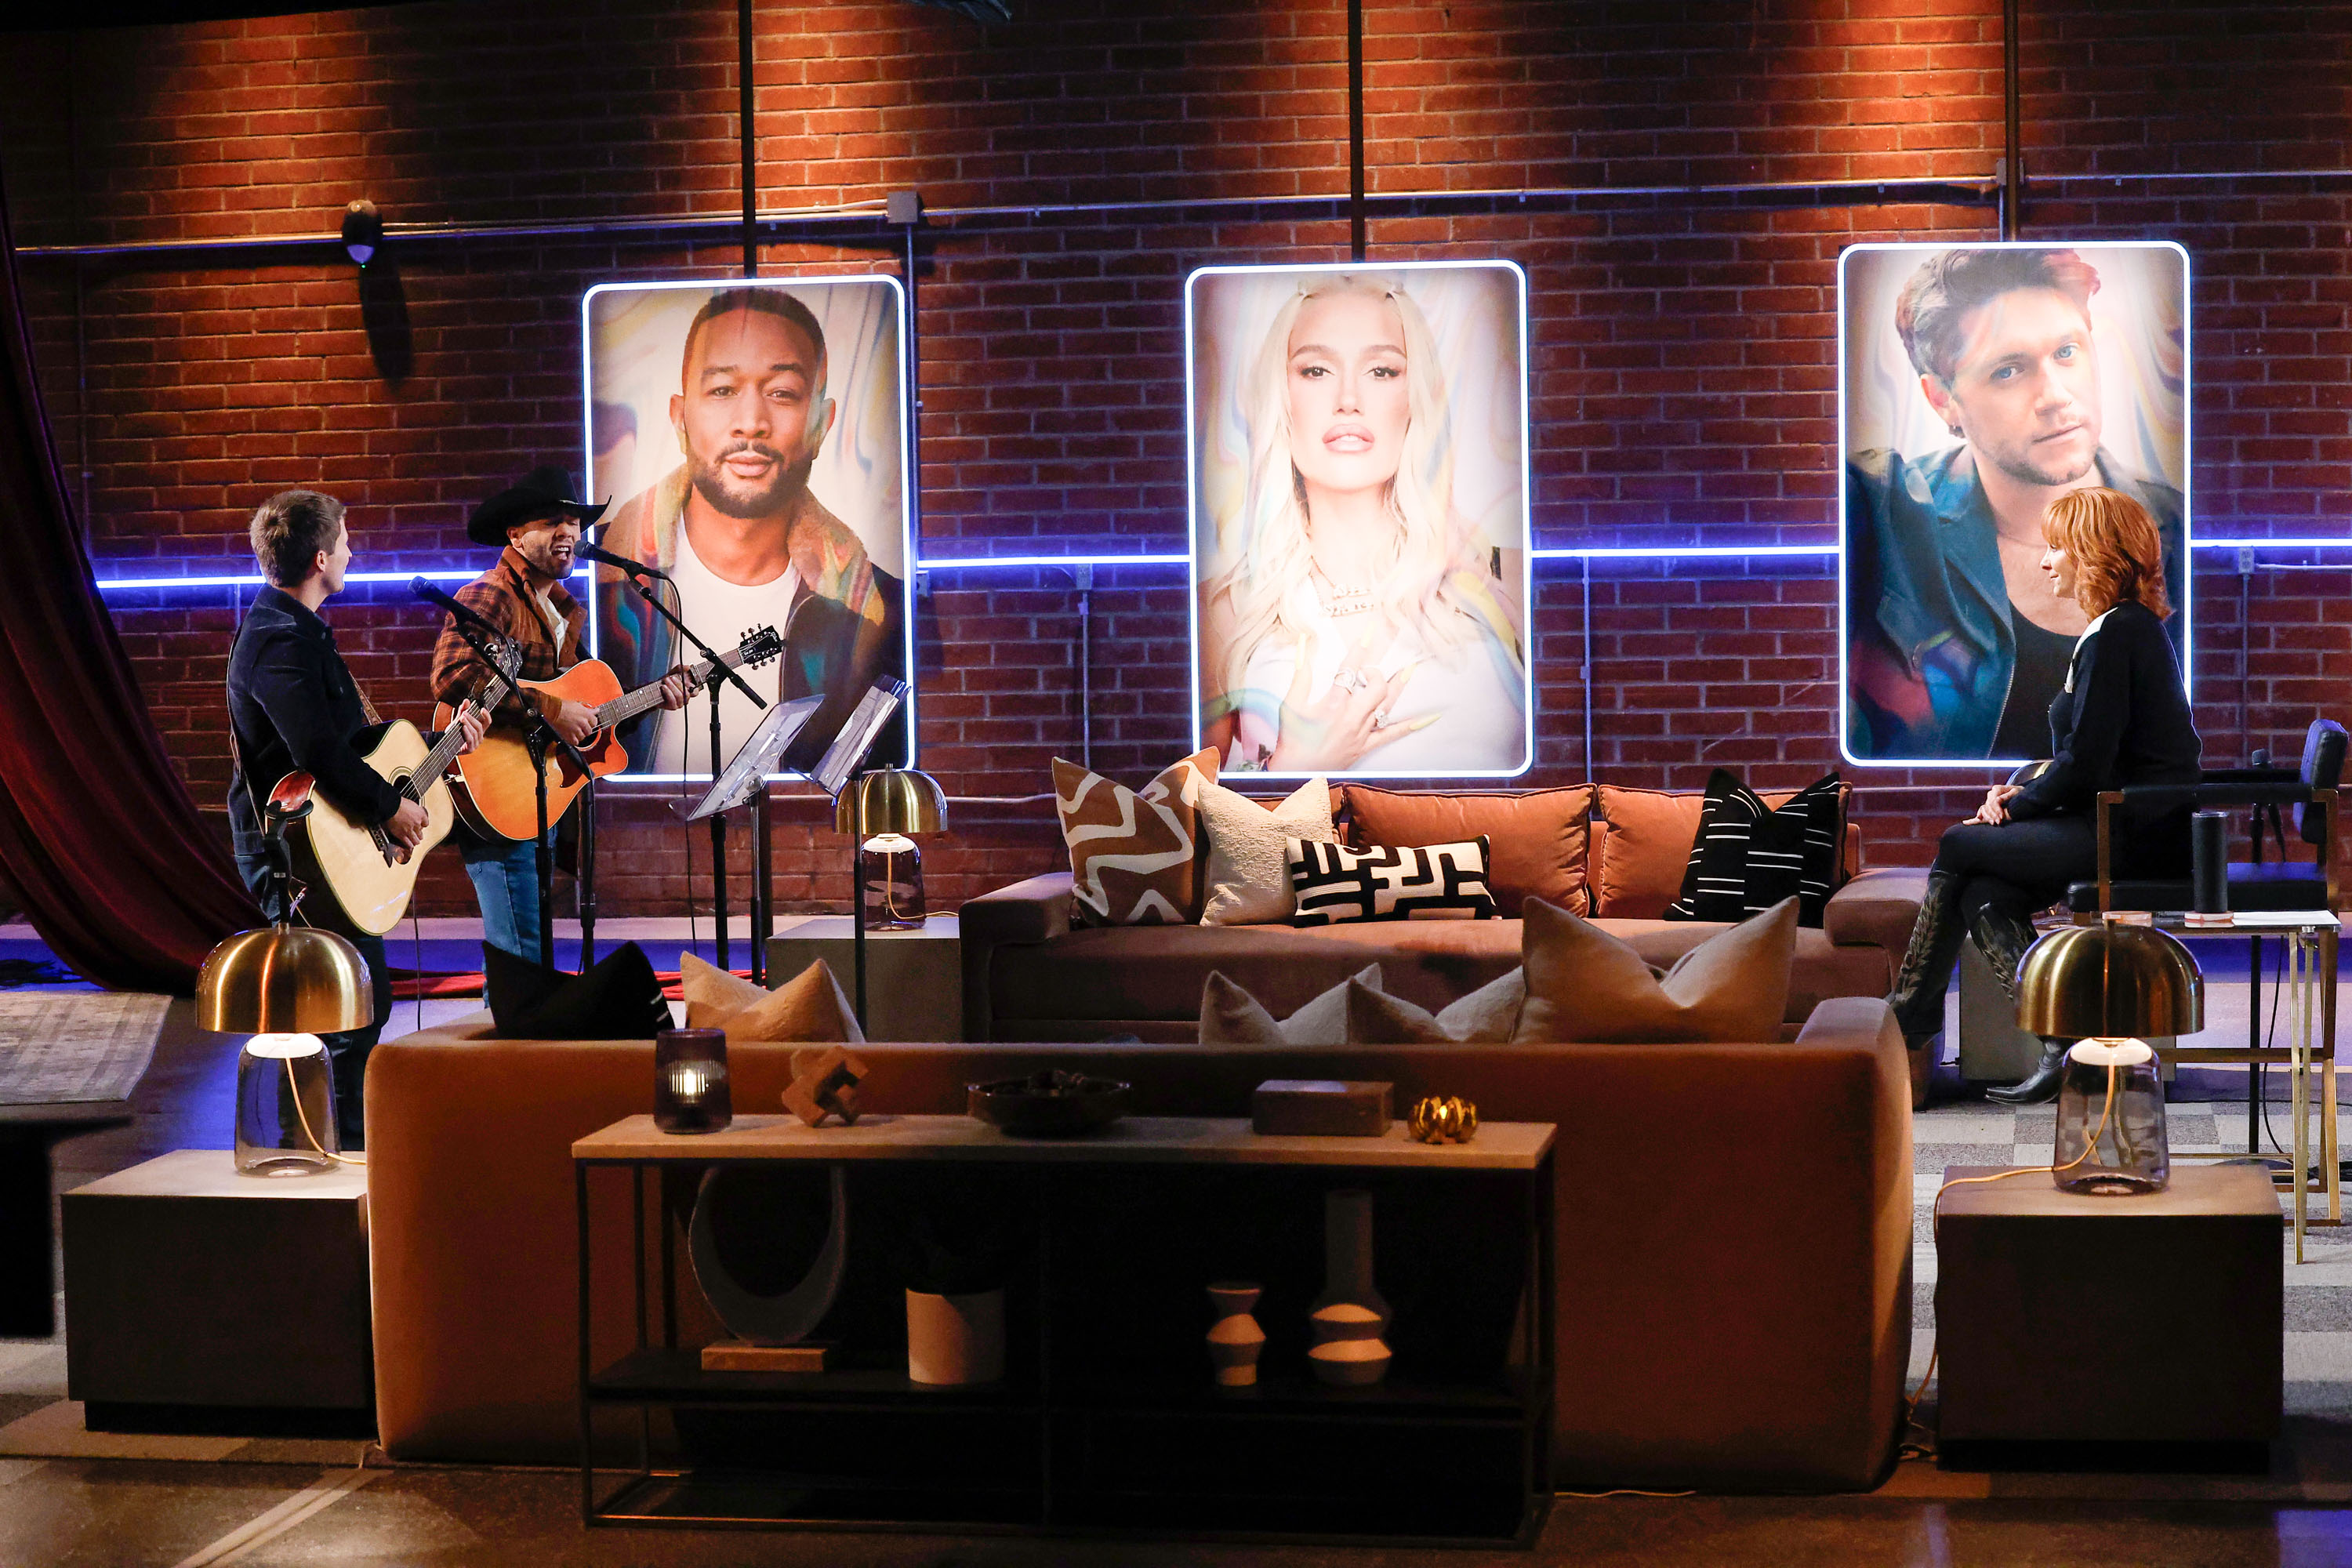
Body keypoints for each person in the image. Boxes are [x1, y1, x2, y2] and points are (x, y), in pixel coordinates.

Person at [1886, 487, 2201, 1107]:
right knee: (1983, 891)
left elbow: (2087, 765)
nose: (2045, 560)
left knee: (1959, 842)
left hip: (2129, 835)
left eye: (2057, 547)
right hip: (2116, 822)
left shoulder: (2117, 634)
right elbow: (2085, 757)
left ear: (2092, 552)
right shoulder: (2116, 631)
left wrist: (2016, 806)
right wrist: (2023, 788)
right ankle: (2060, 1045)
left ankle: (1906, 1019)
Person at [1846, 247, 2186, 762]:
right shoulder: (1885, 511)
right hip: (1966, 814)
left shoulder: (2177, 529)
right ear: (1943, 400)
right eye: (2008, 370)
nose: (2056, 396)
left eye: (2067, 352)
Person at [227, 489, 485, 1149]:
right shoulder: (277, 640)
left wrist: (444, 745)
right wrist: (390, 806)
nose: (352, 550)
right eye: (345, 541)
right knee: (340, 1015)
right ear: (320, 557)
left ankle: (338, 1154)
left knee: (359, 1007)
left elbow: (354, 750)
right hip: (297, 853)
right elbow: (314, 750)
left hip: (332, 835)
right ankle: (326, 1163)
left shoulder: (298, 631)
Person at [1198, 273, 1526, 773]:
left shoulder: (1508, 580)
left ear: (1415, 398)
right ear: (1280, 398)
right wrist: (1293, 770)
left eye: (1381, 371)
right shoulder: (1224, 611)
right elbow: (1198, 830)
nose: (1348, 399)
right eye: (1315, 371)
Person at [597, 287, 906, 775]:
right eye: (722, 390)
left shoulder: (877, 611)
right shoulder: (598, 578)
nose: (751, 423)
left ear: (820, 426)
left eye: (782, 393)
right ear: (680, 419)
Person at [429, 467, 689, 962]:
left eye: (574, 523)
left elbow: (589, 711)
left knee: (531, 955)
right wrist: (552, 711)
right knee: (519, 955)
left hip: (537, 796)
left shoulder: (563, 613)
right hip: (496, 793)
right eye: (552, 522)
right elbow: (453, 675)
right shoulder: (492, 595)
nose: (569, 532)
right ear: (516, 536)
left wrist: (658, 695)